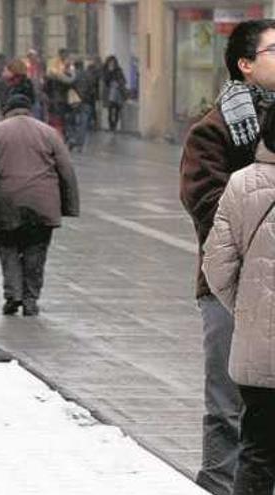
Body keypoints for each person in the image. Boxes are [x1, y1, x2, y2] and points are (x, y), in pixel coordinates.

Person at [180, 19, 275, 495]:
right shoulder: (213, 129)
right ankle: (218, 485)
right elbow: (207, 209)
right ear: (245, 64)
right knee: (227, 404)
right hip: (229, 289)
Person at [203, 109, 275, 495]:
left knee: (257, 452)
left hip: (258, 355)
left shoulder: (241, 184)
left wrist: (248, 310)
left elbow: (216, 266)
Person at [0, 94, 79, 316]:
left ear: (7, 111)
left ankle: (14, 294)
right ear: (29, 110)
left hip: (8, 201)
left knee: (8, 247)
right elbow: (67, 171)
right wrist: (69, 206)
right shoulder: (49, 132)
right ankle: (30, 299)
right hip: (42, 203)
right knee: (36, 250)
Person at [45, 49, 75, 137]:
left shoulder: (69, 65)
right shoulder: (54, 64)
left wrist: (61, 75)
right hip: (57, 98)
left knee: (63, 118)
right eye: (63, 55)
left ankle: (62, 134)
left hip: (63, 98)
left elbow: (71, 79)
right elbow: (50, 76)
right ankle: (59, 134)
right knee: (58, 117)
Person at [102, 56, 127, 132]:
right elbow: (105, 81)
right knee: (110, 109)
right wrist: (109, 72)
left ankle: (115, 125)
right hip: (109, 92)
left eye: (113, 62)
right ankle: (111, 125)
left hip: (118, 92)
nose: (111, 63)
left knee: (117, 109)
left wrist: (119, 83)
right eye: (110, 62)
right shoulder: (105, 70)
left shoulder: (119, 70)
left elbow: (124, 80)